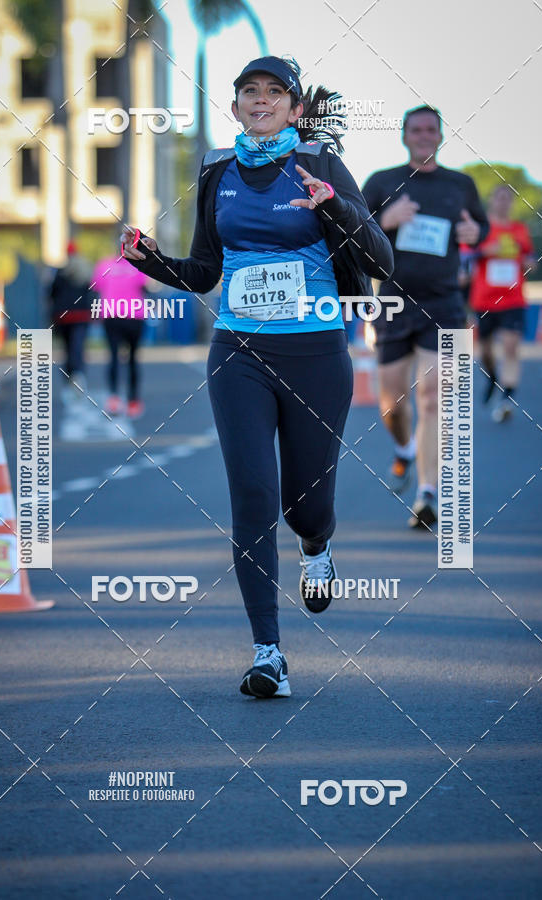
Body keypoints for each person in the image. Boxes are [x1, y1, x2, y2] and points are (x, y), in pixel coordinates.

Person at [121, 56, 393, 698]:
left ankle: (317, 544)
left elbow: (383, 260)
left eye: (276, 93)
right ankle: (268, 652)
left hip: (317, 353)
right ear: (237, 105)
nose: (262, 100)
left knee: (306, 502)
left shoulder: (321, 167)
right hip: (238, 353)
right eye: (250, 92)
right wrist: (151, 260)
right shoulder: (218, 171)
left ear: (297, 108)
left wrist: (335, 208)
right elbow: (205, 271)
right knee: (251, 496)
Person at [362, 106, 489, 529]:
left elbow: (481, 228)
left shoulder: (460, 185)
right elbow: (352, 237)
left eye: (430, 129)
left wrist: (476, 234)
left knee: (434, 398)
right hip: (393, 303)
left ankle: (427, 493)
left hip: (445, 303)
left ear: (440, 136)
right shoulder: (382, 182)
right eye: (415, 129)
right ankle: (403, 451)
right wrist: (385, 219)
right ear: (404, 136)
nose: (423, 136)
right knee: (391, 404)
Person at [469, 184, 535, 423]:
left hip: (513, 298)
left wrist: (529, 263)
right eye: (500, 198)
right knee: (485, 350)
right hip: (484, 300)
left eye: (508, 199)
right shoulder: (481, 229)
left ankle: (507, 398)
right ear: (492, 201)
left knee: (510, 346)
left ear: (512, 203)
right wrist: (487, 251)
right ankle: (493, 377)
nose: (503, 203)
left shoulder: (520, 229)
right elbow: (466, 257)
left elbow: (530, 257)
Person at [92, 251, 149, 418]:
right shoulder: (138, 267)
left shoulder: (104, 265)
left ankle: (114, 400)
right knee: (132, 358)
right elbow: (144, 288)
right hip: (134, 316)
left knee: (113, 356)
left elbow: (96, 288)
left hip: (112, 316)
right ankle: (133, 402)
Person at [48, 241, 95, 401]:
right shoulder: (85, 271)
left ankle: (69, 380)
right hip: (81, 315)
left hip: (63, 316)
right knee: (78, 347)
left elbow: (51, 293)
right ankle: (79, 375)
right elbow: (92, 293)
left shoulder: (60, 272)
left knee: (67, 349)